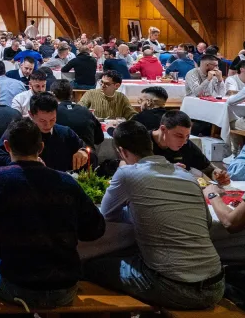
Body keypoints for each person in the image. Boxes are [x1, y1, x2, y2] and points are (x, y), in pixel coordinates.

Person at [0, 118, 105, 308]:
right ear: (41, 148)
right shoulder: (67, 182)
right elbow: (95, 229)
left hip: (18, 286)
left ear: (7, 146)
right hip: (66, 287)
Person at [86, 120, 226, 310]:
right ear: (150, 145)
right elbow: (207, 223)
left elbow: (107, 215)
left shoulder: (127, 174)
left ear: (122, 152)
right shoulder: (188, 177)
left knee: (91, 266)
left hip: (175, 287)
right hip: (216, 284)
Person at [0, 93, 90, 172]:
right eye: (42, 121)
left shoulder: (65, 133)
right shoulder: (18, 132)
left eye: (52, 120)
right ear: (31, 114)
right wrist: (24, 161)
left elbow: (87, 149)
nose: (48, 125)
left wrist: (83, 151)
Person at [150, 110, 229, 185]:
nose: (184, 141)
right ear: (163, 129)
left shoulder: (186, 145)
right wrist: (167, 171)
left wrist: (217, 175)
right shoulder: (143, 142)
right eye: (179, 136)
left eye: (187, 136)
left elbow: (208, 168)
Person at [50, 79, 102, 149]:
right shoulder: (86, 112)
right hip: (88, 155)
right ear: (71, 95)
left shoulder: (51, 114)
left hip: (61, 157)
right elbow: (99, 139)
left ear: (52, 95)